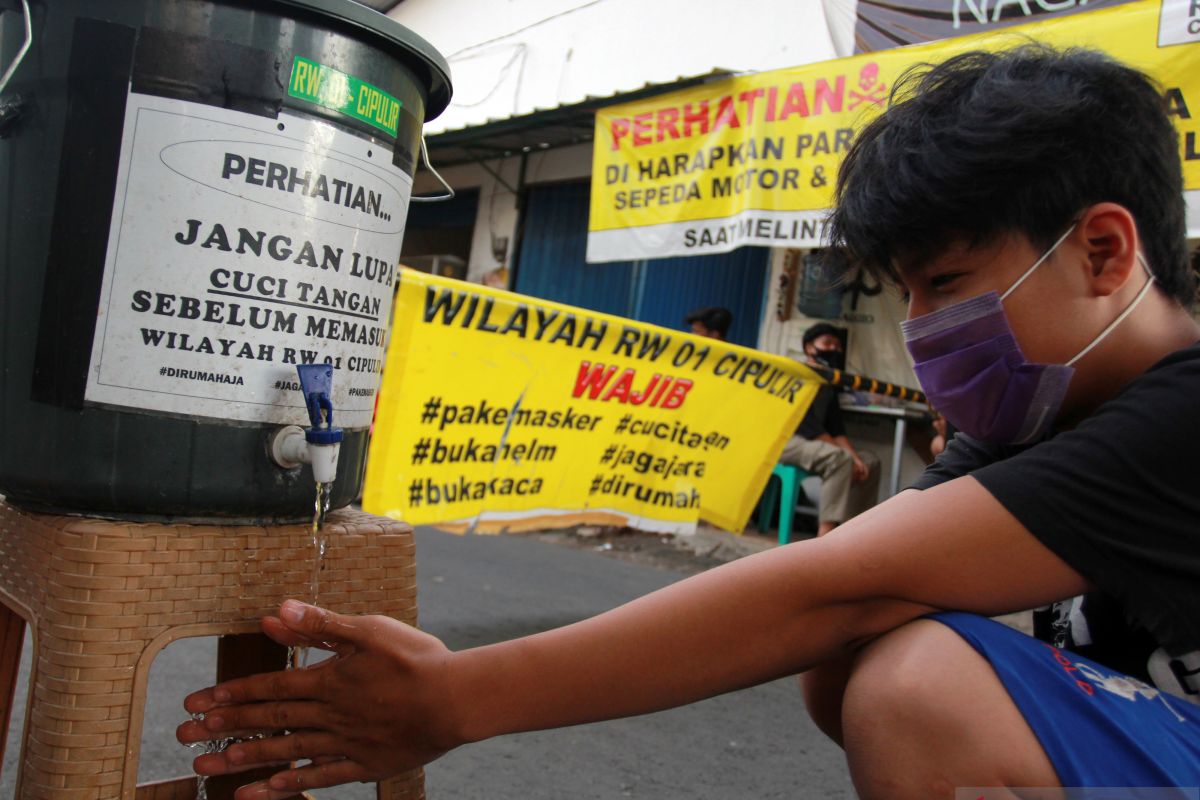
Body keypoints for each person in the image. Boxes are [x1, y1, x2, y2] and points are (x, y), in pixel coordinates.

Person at [178, 45, 1200, 798]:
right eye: (907, 297)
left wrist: (457, 698)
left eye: (947, 283)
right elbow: (838, 602)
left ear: (1104, 252)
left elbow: (846, 579)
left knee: (920, 681)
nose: (925, 332)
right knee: (862, 651)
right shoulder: (1037, 415)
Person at [778, 322, 882, 536]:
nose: (834, 349)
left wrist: (856, 457)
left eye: (837, 345)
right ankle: (826, 535)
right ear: (809, 348)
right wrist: (847, 456)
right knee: (839, 458)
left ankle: (852, 532)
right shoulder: (797, 375)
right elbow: (809, 427)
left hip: (816, 442)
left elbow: (836, 428)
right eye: (827, 343)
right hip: (786, 441)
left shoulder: (829, 381)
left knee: (869, 462)